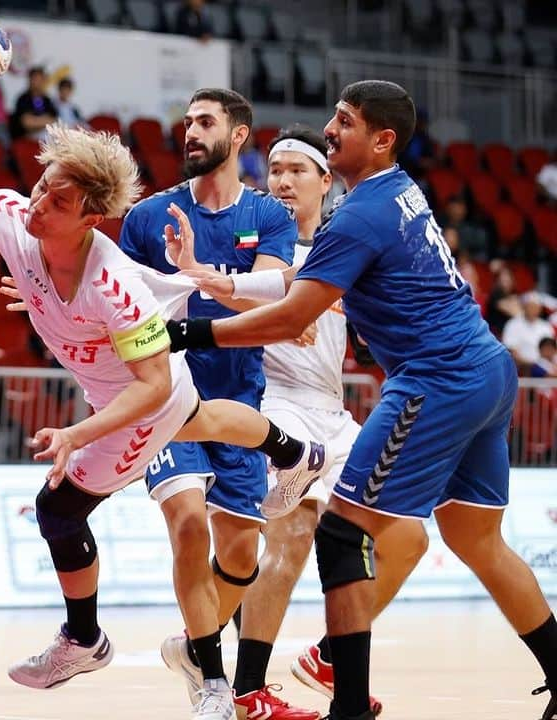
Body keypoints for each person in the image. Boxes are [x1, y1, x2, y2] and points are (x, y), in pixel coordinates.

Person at [0, 79, 329, 720]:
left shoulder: (139, 273)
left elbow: (165, 371)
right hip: (155, 376)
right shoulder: (38, 218)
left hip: (165, 388)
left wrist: (78, 433)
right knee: (189, 489)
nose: (40, 199)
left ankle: (101, 640)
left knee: (131, 519)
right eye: (43, 182)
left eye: (60, 196)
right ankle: (289, 456)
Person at [170, 80, 557, 720]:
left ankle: (346, 704)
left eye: (343, 123)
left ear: (381, 141)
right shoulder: (398, 192)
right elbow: (292, 284)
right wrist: (206, 278)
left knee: (343, 533)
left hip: (436, 379)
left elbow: (289, 310)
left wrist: (187, 329)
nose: (329, 127)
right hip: (487, 369)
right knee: (475, 537)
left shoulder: (356, 218)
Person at [190, 126, 401, 719]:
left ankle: (329, 655)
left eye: (296, 171)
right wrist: (277, 312)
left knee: (405, 537)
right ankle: (246, 686)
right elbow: (212, 292)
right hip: (274, 403)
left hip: (332, 410)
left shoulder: (346, 245)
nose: (281, 180)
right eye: (274, 170)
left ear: (325, 181)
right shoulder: (258, 242)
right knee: (289, 539)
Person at [119, 88, 295, 713]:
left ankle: (193, 647)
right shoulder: (146, 218)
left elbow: (272, 310)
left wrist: (197, 274)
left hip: (241, 404)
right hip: (168, 400)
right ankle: (215, 683)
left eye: (204, 122)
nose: (190, 132)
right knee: (189, 525)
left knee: (243, 552)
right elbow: (115, 301)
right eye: (186, 122)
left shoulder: (270, 216)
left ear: (239, 135)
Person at [503, 292, 555, 371]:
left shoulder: (546, 326)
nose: (533, 309)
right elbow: (512, 351)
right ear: (524, 307)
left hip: (545, 368)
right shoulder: (513, 324)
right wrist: (533, 365)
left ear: (540, 309)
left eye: (535, 307)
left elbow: (552, 350)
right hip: (522, 367)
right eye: (530, 306)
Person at [9, 66, 58, 141]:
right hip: (26, 141)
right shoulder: (23, 99)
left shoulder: (47, 100)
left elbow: (54, 120)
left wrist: (36, 121)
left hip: (46, 139)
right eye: (35, 79)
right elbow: (27, 123)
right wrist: (45, 121)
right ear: (30, 80)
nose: (38, 82)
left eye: (40, 79)